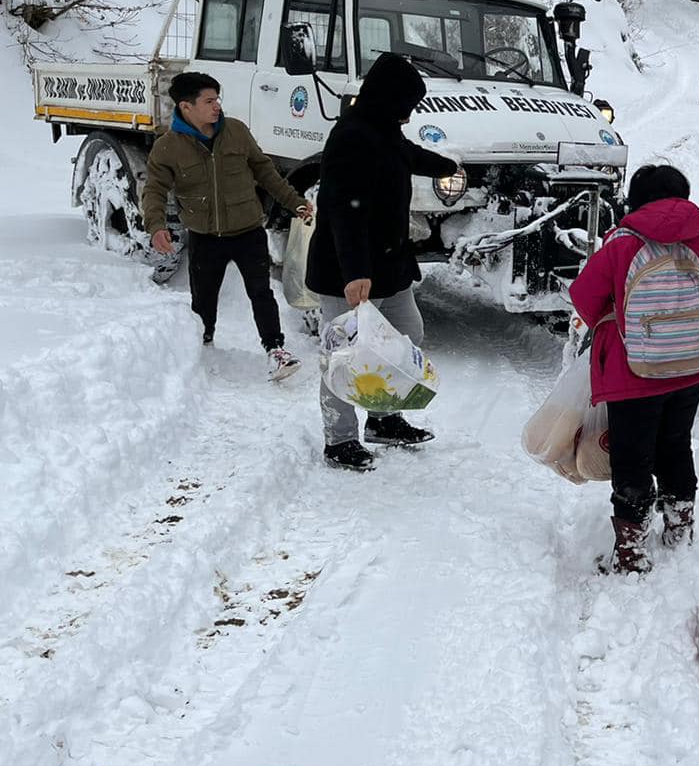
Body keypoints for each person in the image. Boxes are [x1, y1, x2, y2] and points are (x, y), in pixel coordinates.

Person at [568, 163, 699, 574]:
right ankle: (679, 528)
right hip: (692, 362)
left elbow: (585, 298)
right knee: (675, 444)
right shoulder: (696, 241)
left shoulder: (621, 243)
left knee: (633, 456)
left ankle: (632, 552)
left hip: (634, 369)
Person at [306, 53, 460, 471]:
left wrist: (445, 165)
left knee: (407, 332)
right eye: (407, 105)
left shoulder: (383, 129)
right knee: (344, 356)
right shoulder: (351, 136)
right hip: (348, 268)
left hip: (389, 264)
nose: (409, 116)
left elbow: (406, 154)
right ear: (389, 98)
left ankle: (383, 418)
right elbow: (342, 209)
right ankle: (339, 440)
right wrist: (355, 273)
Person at [141, 71, 311, 380]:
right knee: (203, 300)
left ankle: (276, 349)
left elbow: (265, 172)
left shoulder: (236, 131)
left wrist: (295, 202)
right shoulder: (168, 147)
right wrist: (156, 226)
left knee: (261, 292)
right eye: (209, 101)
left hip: (248, 231)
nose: (217, 106)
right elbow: (154, 189)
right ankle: (203, 347)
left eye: (217, 99)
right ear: (186, 107)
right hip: (205, 238)